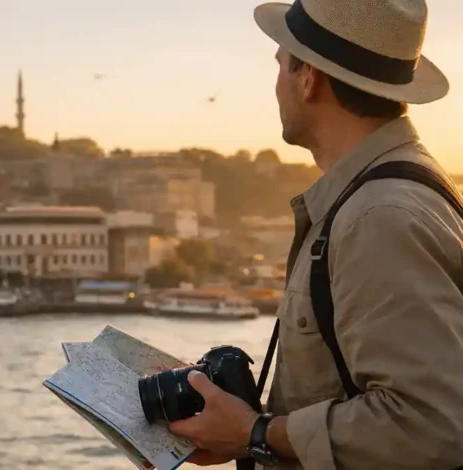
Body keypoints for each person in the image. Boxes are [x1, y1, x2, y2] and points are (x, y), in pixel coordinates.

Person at [167, 1, 463, 469]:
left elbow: (430, 425)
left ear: (310, 80)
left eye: (283, 64)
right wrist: (239, 429)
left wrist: (255, 432)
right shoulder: (386, 193)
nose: (276, 82)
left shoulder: (377, 218)